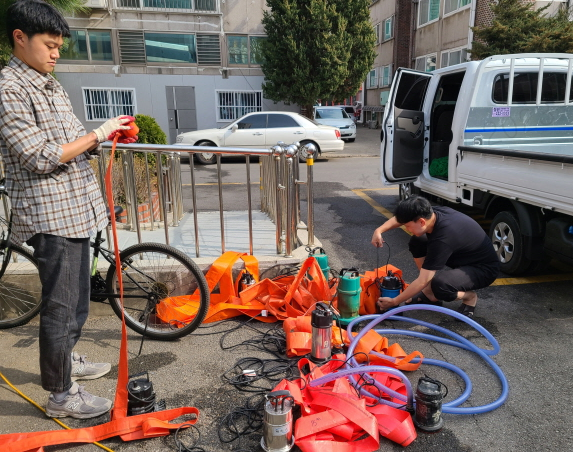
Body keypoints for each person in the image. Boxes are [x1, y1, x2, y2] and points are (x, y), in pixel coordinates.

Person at [0, 0, 137, 419]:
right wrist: (100, 133)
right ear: (19, 38)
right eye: (49, 44)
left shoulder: (49, 82)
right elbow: (40, 156)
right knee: (61, 307)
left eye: (60, 45)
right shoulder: (9, 89)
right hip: (49, 216)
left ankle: (67, 361)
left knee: (77, 302)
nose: (57, 53)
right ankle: (61, 395)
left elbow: (73, 140)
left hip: (76, 211)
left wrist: (106, 135)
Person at [371, 196, 500, 318]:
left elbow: (423, 280)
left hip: (484, 269)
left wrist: (394, 301)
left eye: (408, 226)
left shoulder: (443, 238)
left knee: (441, 285)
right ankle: (430, 294)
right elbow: (401, 218)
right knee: (418, 241)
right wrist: (379, 230)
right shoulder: (431, 213)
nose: (406, 228)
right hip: (463, 256)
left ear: (421, 222)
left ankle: (469, 297)